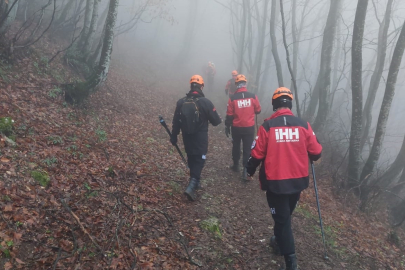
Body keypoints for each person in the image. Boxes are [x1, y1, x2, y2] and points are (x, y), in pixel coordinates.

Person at [245, 87, 322, 270]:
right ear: (290, 104)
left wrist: (249, 170)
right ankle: (278, 241)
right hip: (297, 182)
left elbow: (256, 154)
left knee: (283, 220)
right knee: (283, 217)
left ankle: (291, 261)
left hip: (276, 183)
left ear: (274, 105)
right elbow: (317, 152)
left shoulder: (268, 127)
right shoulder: (303, 125)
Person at [171, 75, 222, 201]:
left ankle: (195, 181)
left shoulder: (181, 101)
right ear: (202, 86)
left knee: (191, 157)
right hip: (200, 137)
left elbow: (176, 121)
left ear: (190, 86)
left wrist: (174, 135)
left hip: (186, 137)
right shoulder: (206, 102)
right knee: (200, 160)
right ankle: (192, 186)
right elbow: (216, 121)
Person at [225, 74, 261, 180]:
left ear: (237, 85)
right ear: (245, 84)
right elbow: (258, 110)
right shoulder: (253, 96)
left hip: (236, 127)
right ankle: (245, 171)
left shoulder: (232, 98)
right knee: (247, 148)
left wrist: (227, 126)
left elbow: (229, 115)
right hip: (249, 127)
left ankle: (236, 165)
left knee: (236, 146)